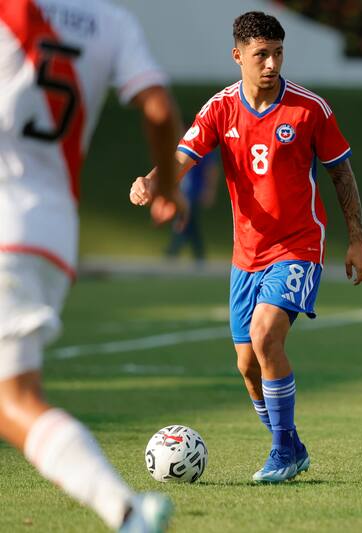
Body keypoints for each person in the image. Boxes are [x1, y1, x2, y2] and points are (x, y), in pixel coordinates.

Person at [129, 11, 362, 484]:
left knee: (265, 337)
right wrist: (151, 182)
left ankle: (281, 451)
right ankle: (292, 445)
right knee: (246, 365)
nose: (272, 64)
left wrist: (358, 240)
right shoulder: (221, 108)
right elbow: (182, 157)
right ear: (237, 56)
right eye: (261, 54)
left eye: (278, 53)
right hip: (246, 256)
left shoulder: (310, 109)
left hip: (299, 246)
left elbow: (341, 173)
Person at [0, 0, 185, 531]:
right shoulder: (112, 22)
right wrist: (168, 189)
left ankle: (125, 511)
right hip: (54, 232)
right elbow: (159, 110)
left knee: (15, 400)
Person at [164, 148, 220, 263]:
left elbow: (211, 169)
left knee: (184, 221)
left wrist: (209, 190)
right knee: (190, 223)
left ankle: (174, 250)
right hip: (183, 192)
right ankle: (198, 254)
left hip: (194, 191)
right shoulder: (183, 144)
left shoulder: (205, 146)